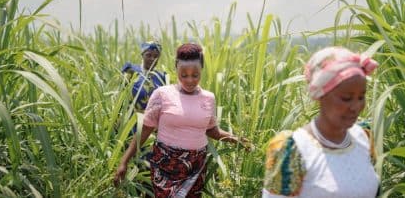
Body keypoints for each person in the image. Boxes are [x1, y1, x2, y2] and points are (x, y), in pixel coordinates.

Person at [114, 43, 247, 197]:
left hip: (195, 168)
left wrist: (236, 140)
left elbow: (212, 130)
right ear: (176, 68)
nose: (189, 80)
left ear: (201, 70)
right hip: (166, 167)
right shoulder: (162, 95)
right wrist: (124, 162)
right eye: (184, 75)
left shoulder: (208, 98)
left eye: (195, 75)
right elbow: (144, 130)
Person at [262, 46, 379, 198]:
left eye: (361, 97)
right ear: (320, 94)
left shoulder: (363, 137)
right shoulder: (294, 150)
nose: (356, 107)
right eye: (346, 98)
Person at [120, 41, 166, 132]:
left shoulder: (161, 77)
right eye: (148, 55)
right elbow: (121, 98)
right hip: (131, 122)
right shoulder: (131, 71)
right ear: (142, 55)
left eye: (156, 56)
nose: (152, 59)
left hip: (151, 126)